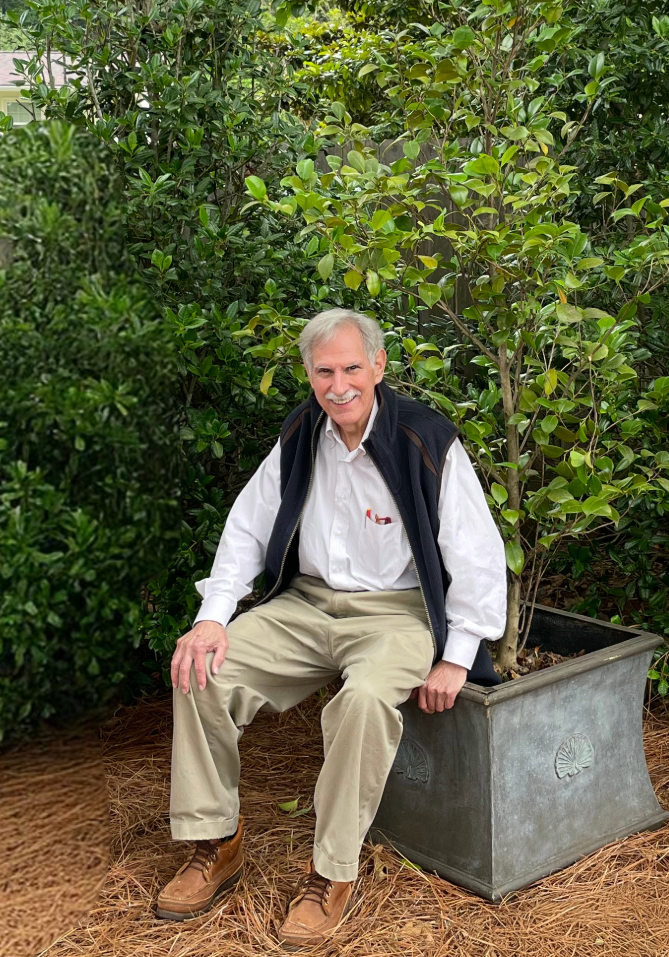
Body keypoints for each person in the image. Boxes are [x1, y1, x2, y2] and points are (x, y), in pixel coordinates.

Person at [156, 308, 507, 948]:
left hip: (395, 613)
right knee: (201, 671)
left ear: (378, 366)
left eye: (351, 367)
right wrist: (212, 619)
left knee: (367, 701)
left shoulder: (425, 438)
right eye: (325, 371)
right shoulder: (300, 434)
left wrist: (458, 653)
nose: (339, 384)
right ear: (310, 375)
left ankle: (332, 873)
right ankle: (215, 842)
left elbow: (477, 555)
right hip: (307, 605)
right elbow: (246, 527)